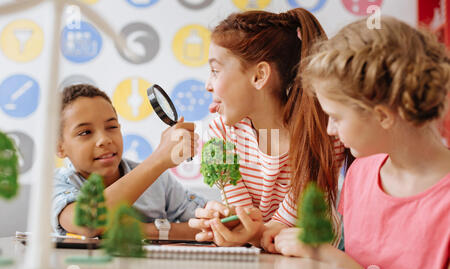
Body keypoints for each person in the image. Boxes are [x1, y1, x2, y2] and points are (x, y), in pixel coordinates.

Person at [274, 17, 450, 269]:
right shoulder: (360, 173)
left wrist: (333, 260)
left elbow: (349, 268)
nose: (330, 130)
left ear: (381, 115)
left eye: (335, 117)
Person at [189, 8, 346, 249]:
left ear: (259, 76)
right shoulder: (221, 131)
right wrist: (225, 220)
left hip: (308, 262)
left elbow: (282, 230)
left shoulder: (322, 131)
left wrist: (246, 230)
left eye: (215, 71)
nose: (208, 85)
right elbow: (242, 215)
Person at [52, 84, 206, 239]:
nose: (104, 140)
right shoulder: (56, 183)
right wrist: (158, 159)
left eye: (111, 126)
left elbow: (209, 224)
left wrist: (142, 230)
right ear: (60, 147)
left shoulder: (159, 180)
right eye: (85, 132)